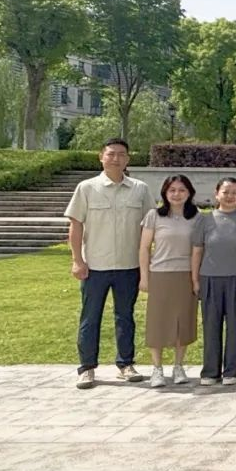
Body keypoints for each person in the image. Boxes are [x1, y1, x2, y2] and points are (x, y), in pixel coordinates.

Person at [65, 138, 153, 389]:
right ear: (101, 157)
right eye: (111, 154)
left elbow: (150, 227)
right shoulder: (87, 188)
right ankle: (87, 368)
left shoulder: (140, 189)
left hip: (129, 265)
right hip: (95, 266)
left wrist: (147, 264)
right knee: (90, 317)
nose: (116, 159)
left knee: (125, 317)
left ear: (128, 159)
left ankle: (125, 364)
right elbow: (76, 225)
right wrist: (77, 260)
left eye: (121, 154)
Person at [139, 174, 201, 388]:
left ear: (189, 193)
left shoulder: (196, 217)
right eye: (172, 190)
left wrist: (196, 278)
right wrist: (144, 276)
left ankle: (178, 366)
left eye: (182, 190)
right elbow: (144, 247)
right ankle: (157, 369)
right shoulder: (154, 216)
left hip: (186, 275)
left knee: (183, 322)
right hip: (160, 274)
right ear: (165, 192)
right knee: (158, 322)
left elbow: (199, 248)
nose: (177, 194)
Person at [191, 177, 236, 386]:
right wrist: (195, 279)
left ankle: (231, 371)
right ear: (217, 194)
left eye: (235, 192)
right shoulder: (204, 219)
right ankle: (210, 371)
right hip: (209, 278)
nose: (230, 196)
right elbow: (197, 250)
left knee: (235, 327)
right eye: (225, 192)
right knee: (211, 326)